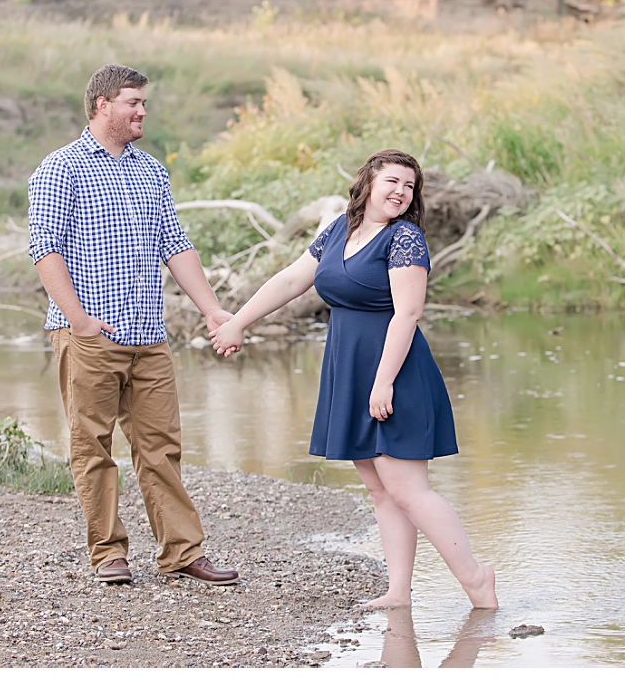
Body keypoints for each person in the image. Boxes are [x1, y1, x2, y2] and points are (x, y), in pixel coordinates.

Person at [210, 149, 498, 609]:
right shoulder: (339, 231)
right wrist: (239, 322)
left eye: (409, 186)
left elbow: (408, 314)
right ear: (367, 182)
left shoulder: (404, 240)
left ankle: (477, 581)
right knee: (381, 490)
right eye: (393, 182)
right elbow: (289, 281)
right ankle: (398, 592)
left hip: (394, 370)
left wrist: (383, 383)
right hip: (349, 368)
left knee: (408, 489)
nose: (401, 192)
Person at [27, 63, 239, 586]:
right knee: (92, 447)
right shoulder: (61, 169)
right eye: (133, 103)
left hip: (149, 338)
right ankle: (109, 554)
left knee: (161, 448)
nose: (143, 111)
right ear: (103, 104)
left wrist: (212, 309)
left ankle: (181, 552)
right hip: (89, 337)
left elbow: (175, 244)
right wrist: (79, 321)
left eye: (144, 102)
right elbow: (44, 249)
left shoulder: (151, 171)